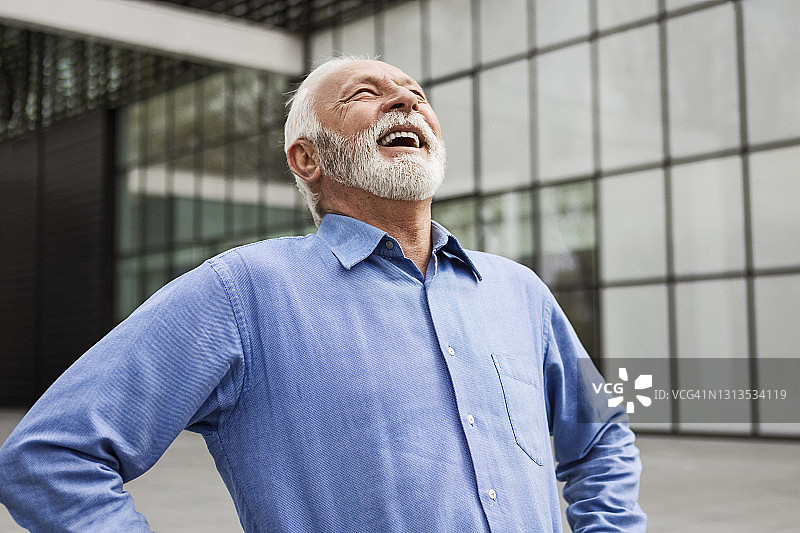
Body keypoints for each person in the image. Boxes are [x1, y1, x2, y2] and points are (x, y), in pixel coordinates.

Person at [0, 58, 646, 532]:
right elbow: (50, 458)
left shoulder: (519, 291)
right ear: (306, 158)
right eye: (368, 93)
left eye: (417, 95)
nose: (406, 103)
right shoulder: (243, 292)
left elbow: (601, 437)